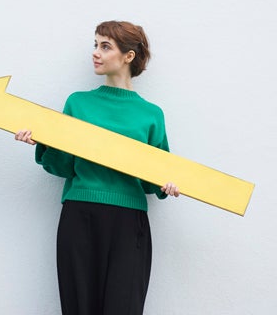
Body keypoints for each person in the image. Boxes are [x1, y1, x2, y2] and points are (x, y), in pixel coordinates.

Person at [15, 20, 179, 315]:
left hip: (129, 223)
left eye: (105, 46)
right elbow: (63, 166)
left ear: (128, 56)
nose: (96, 53)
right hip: (80, 216)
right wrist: (41, 143)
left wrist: (167, 185)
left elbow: (153, 180)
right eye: (95, 45)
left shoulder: (151, 115)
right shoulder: (78, 104)